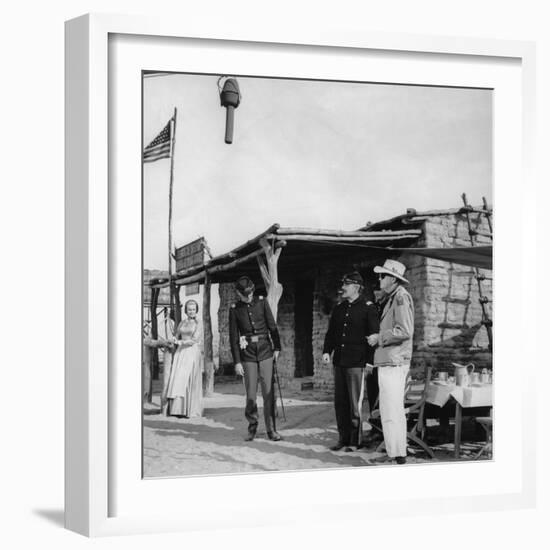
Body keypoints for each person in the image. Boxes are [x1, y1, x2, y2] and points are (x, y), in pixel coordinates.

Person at [322, 271, 379, 452]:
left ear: (356, 287)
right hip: (339, 361)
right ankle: (343, 439)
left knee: (355, 404)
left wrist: (370, 362)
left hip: (357, 363)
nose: (343, 288)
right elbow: (331, 334)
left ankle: (355, 441)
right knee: (340, 403)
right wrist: (326, 351)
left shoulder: (368, 308)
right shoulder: (339, 308)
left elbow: (374, 338)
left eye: (346, 285)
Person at [369, 259, 414, 465]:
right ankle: (394, 452)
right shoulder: (392, 297)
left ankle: (398, 455)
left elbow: (405, 330)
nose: (379, 279)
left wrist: (380, 337)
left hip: (394, 361)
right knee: (389, 410)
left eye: (383, 275)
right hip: (389, 360)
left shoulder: (401, 298)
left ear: (393, 279)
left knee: (392, 410)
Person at [229, 275, 282, 442]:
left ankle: (271, 430)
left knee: (268, 392)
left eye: (250, 293)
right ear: (238, 293)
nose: (249, 296)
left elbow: (272, 326)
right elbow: (233, 337)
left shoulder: (262, 301)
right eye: (245, 294)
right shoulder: (234, 309)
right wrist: (237, 361)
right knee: (251, 393)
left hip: (266, 351)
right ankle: (252, 427)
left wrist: (277, 347)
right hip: (248, 355)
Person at [164, 299, 203, 418]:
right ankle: (178, 409)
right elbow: (176, 335)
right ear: (186, 310)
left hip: (191, 352)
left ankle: (190, 410)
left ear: (196, 310)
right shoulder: (182, 322)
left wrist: (179, 342)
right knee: (178, 378)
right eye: (189, 309)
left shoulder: (199, 323)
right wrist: (173, 340)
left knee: (189, 378)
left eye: (193, 309)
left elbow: (194, 340)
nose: (191, 312)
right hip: (181, 353)